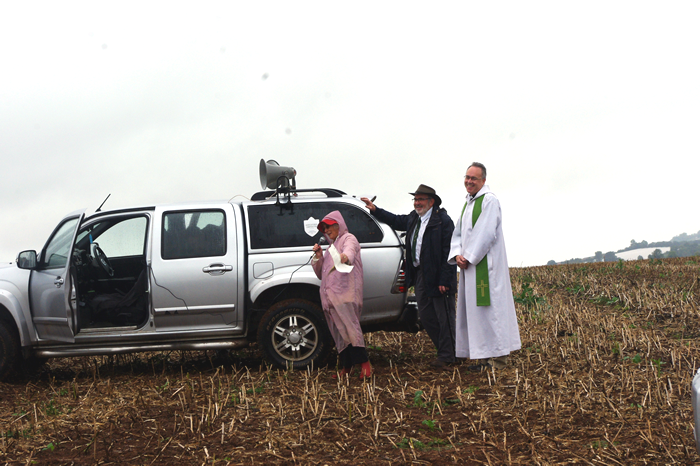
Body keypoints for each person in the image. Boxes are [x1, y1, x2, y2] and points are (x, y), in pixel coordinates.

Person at [361, 185, 457, 368]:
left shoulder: (443, 221)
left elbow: (449, 253)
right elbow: (395, 220)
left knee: (444, 317)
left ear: (432, 201)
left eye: (420, 199)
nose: (417, 203)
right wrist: (375, 210)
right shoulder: (414, 218)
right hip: (420, 274)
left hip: (438, 276)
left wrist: (445, 279)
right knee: (427, 317)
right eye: (415, 199)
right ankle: (447, 352)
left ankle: (449, 356)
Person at [448, 162, 521, 371]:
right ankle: (483, 357)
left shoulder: (489, 201)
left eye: (474, 178)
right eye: (467, 177)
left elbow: (487, 233)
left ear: (483, 181)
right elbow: (458, 233)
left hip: (485, 268)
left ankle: (497, 359)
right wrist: (457, 254)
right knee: (477, 312)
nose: (469, 181)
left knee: (491, 311)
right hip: (470, 267)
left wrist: (469, 257)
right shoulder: (468, 203)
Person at [312, 211, 372, 379]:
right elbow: (320, 274)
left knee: (351, 328)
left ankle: (365, 364)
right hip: (330, 298)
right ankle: (346, 366)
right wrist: (318, 258)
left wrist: (345, 257)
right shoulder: (330, 248)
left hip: (345, 294)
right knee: (339, 333)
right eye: (324, 228)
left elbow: (350, 253)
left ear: (339, 225)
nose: (327, 230)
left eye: (329, 226)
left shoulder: (348, 238)